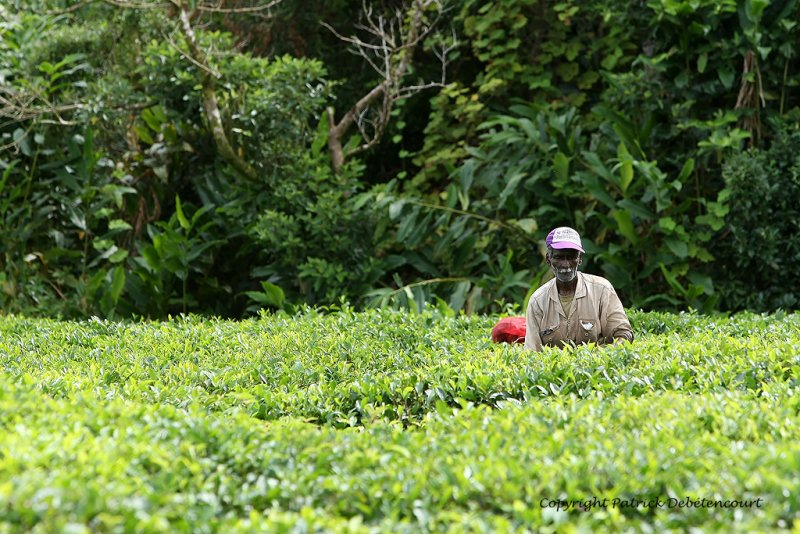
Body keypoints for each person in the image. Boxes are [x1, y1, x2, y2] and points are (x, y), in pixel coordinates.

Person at [524, 226, 633, 351]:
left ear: (580, 259)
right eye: (559, 257)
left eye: (571, 257)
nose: (565, 264)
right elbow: (532, 352)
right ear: (548, 260)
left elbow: (623, 334)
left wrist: (602, 355)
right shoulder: (538, 301)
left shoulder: (602, 290)